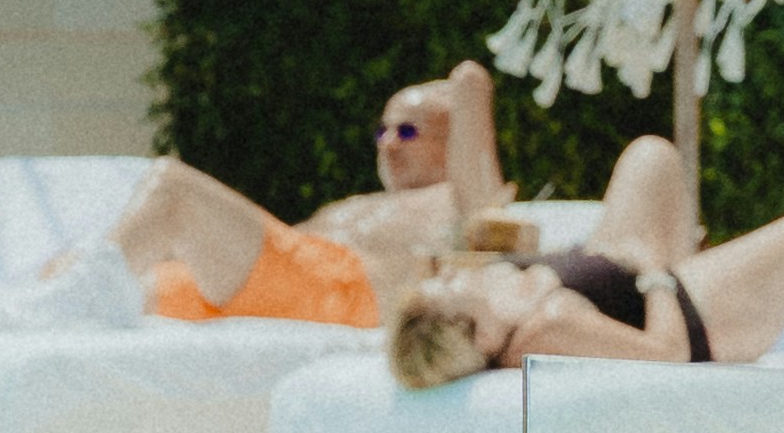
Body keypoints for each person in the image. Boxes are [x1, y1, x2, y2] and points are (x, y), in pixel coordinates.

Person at [383, 132, 784, 380]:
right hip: (686, 312)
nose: (437, 283)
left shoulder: (501, 308)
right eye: (437, 296)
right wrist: (655, 273)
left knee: (650, 155)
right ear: (461, 327)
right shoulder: (544, 328)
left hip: (624, 265)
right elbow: (666, 353)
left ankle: (697, 262)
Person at [107, 62, 529, 336]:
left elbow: (486, 209)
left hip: (336, 294)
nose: (388, 145)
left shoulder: (457, 203)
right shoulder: (360, 204)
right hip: (274, 285)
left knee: (172, 191)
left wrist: (467, 86)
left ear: (454, 141)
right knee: (100, 277)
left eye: (407, 131)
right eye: (382, 131)